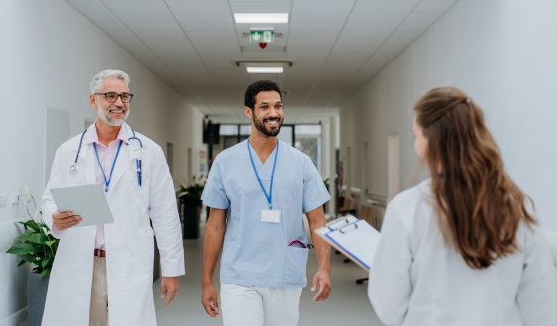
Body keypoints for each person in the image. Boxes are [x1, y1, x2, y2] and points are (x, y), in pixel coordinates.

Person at [368, 87, 557, 326]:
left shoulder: (408, 209)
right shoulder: (517, 207)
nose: (416, 145)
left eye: (416, 136)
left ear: (432, 140)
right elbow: (540, 304)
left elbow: (388, 304)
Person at [41, 70, 184, 326]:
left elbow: (165, 215)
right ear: (93, 100)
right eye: (110, 96)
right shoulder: (69, 151)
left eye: (124, 96)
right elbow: (49, 198)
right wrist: (54, 217)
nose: (119, 103)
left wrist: (171, 271)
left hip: (129, 260)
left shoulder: (149, 152)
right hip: (82, 260)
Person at [200, 80, 332, 326]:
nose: (274, 113)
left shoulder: (301, 163)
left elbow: (317, 221)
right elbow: (215, 224)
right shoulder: (225, 161)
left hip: (284, 271)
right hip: (239, 274)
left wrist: (325, 267)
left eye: (278, 106)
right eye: (265, 107)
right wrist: (207, 280)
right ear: (249, 112)